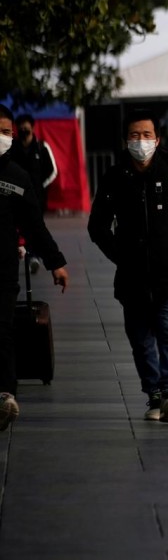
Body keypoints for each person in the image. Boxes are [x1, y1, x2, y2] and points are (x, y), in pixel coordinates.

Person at [88, 109, 168, 423]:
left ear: (157, 138)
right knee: (140, 340)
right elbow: (97, 226)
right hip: (132, 276)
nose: (140, 141)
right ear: (125, 139)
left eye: (145, 135)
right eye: (133, 135)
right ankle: (153, 394)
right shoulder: (116, 177)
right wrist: (120, 255)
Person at [0, 104, 69, 431]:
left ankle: (5, 395)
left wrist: (55, 262)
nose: (2, 137)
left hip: (3, 269)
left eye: (5, 132)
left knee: (3, 330)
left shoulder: (18, 177)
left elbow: (34, 225)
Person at [12, 114, 59, 274]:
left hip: (37, 198)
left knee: (35, 226)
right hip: (15, 196)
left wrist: (40, 187)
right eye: (20, 126)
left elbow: (53, 171)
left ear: (32, 127)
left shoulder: (41, 147)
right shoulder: (12, 148)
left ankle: (34, 257)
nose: (24, 129)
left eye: (26, 126)